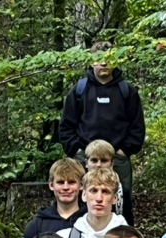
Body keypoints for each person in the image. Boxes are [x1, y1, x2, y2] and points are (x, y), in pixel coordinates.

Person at [59, 39, 145, 227]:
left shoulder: (126, 91)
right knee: (82, 199)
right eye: (99, 59)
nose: (104, 63)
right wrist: (78, 151)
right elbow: (66, 126)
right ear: (91, 61)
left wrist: (124, 151)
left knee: (121, 200)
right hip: (85, 158)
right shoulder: (80, 90)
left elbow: (137, 126)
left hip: (118, 159)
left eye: (108, 58)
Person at [16, 158, 86, 238]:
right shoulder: (37, 224)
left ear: (81, 185)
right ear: (51, 185)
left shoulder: (90, 222)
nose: (66, 187)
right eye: (60, 182)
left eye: (71, 182)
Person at [83, 140, 131, 224]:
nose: (98, 165)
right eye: (94, 160)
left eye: (104, 160)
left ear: (112, 163)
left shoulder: (120, 189)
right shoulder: (78, 186)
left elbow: (127, 218)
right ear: (87, 163)